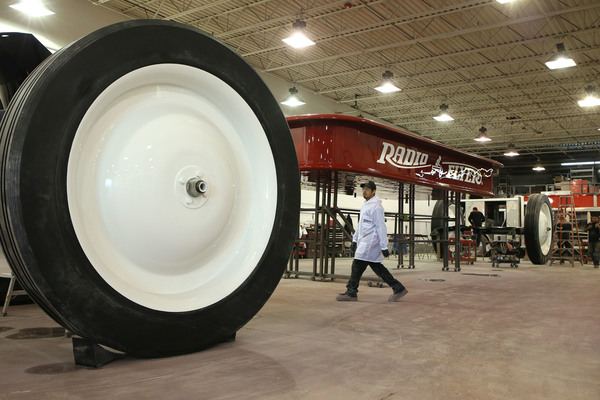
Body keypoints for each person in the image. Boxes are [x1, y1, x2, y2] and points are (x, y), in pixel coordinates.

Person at [336, 180, 407, 302]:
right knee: (376, 266)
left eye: (367, 189)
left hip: (371, 243)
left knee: (357, 265)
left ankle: (351, 292)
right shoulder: (366, 205)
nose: (364, 191)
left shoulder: (376, 207)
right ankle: (398, 288)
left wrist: (384, 246)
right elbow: (360, 225)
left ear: (374, 191)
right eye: (363, 189)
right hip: (364, 242)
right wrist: (354, 240)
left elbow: (381, 227)